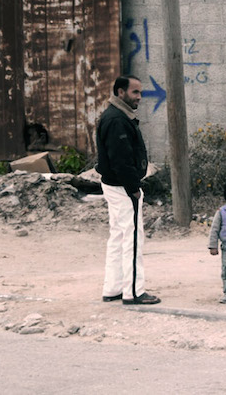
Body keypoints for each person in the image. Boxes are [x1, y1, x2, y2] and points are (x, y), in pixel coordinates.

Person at [97, 75, 160, 305]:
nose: (139, 97)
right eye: (135, 92)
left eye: (140, 92)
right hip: (123, 189)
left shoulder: (116, 116)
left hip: (114, 186)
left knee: (118, 236)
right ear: (120, 92)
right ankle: (133, 292)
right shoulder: (117, 120)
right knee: (132, 239)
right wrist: (134, 188)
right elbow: (121, 161)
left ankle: (113, 288)